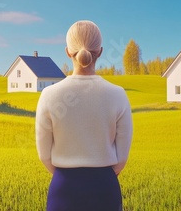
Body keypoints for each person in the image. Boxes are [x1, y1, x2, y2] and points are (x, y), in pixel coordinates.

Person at [36, 20, 133, 211]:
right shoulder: (118, 94)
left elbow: (44, 155)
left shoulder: (49, 95)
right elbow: (121, 159)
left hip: (63, 188)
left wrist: (68, 177)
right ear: (101, 52)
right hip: (105, 188)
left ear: (67, 51)